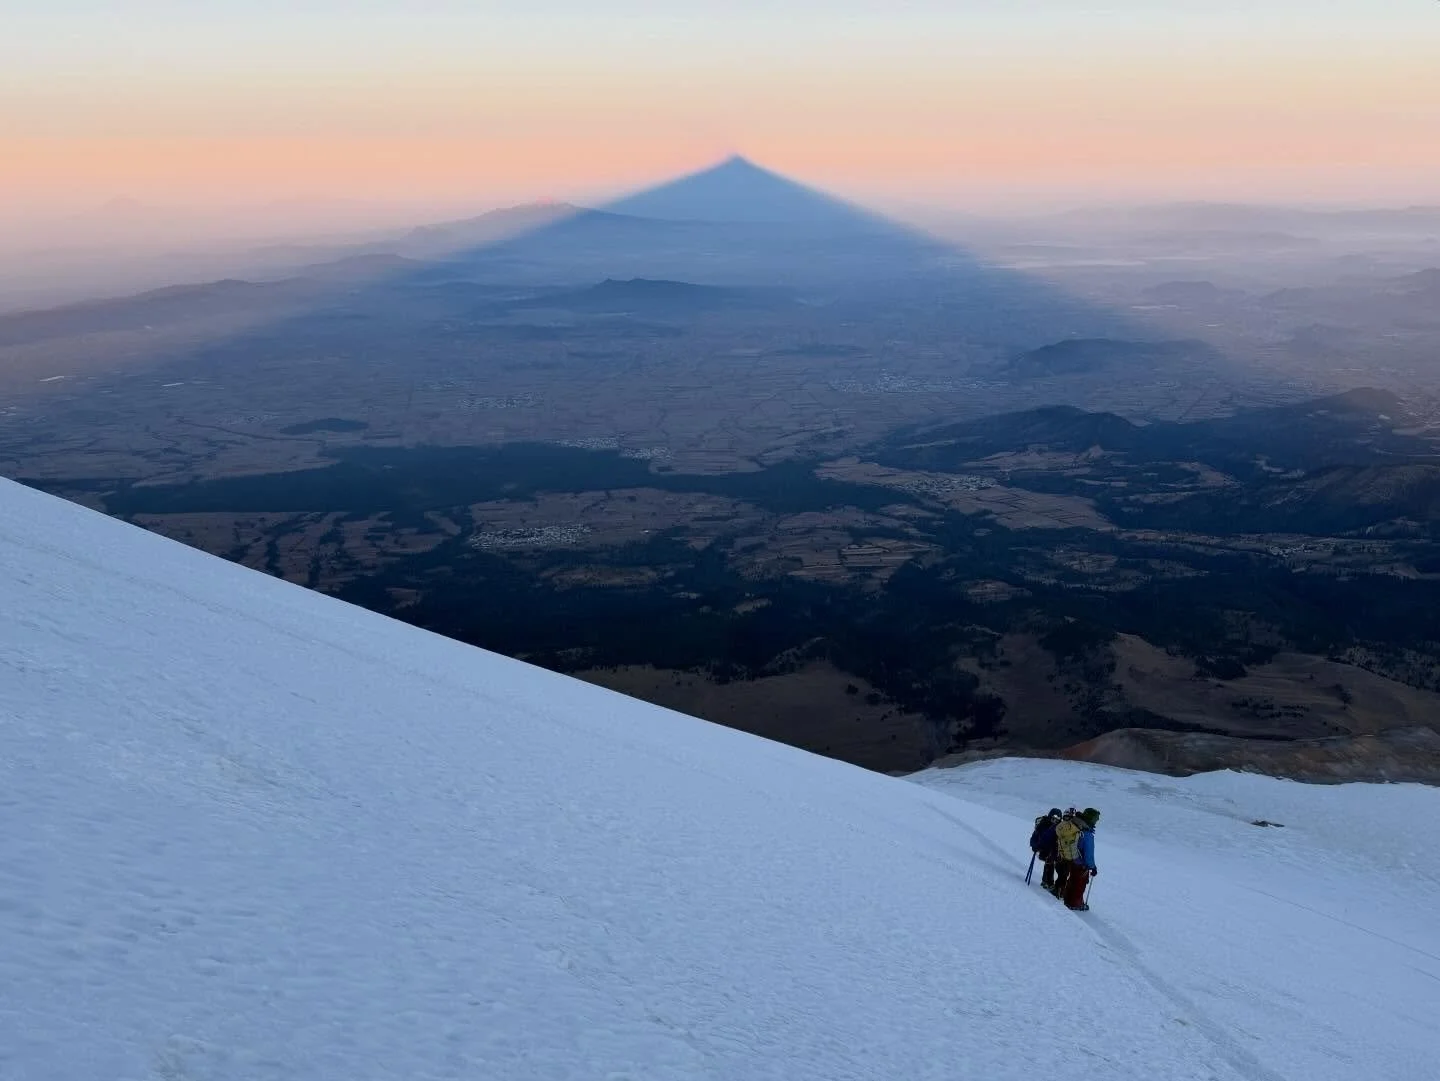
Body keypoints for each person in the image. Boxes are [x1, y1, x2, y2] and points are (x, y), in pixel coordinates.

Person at [1062, 808, 1100, 911]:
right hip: (1081, 864)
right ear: (1091, 819)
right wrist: (1092, 867)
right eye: (1096, 819)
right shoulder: (1087, 834)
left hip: (1073, 859)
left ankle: (1067, 899)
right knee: (1079, 885)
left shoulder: (1077, 826)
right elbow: (1088, 855)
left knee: (1072, 881)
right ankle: (1075, 904)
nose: (1096, 822)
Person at [1049, 809, 1080, 900]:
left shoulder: (1058, 827)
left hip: (1060, 855)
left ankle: (1057, 890)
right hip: (1070, 857)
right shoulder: (1075, 828)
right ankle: (1060, 891)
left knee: (1061, 874)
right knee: (1064, 875)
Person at [1029, 808, 1062, 890]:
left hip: (1053, 850)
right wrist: (1035, 846)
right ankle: (1047, 882)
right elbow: (1034, 838)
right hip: (1042, 849)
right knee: (1049, 863)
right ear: (1050, 816)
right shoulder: (1042, 825)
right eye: (1053, 818)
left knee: (1051, 863)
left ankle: (1049, 882)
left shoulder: (1058, 828)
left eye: (1057, 820)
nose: (1055, 821)